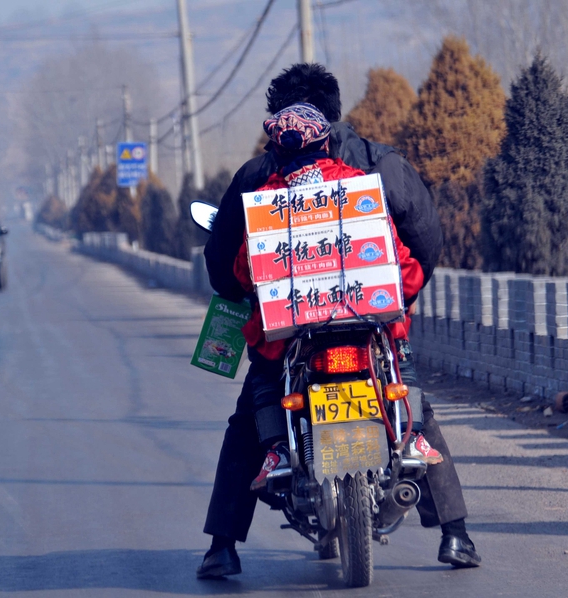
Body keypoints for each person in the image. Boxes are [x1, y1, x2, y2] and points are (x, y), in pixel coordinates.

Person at [197, 63, 481, 579]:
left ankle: (222, 546)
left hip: (291, 336)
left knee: (250, 415)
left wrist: (260, 294)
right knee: (410, 398)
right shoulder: (376, 166)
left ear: (279, 123)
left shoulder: (262, 179)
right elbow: (425, 244)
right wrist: (393, 296)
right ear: (332, 114)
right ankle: (455, 533)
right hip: (370, 319)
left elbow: (227, 266)